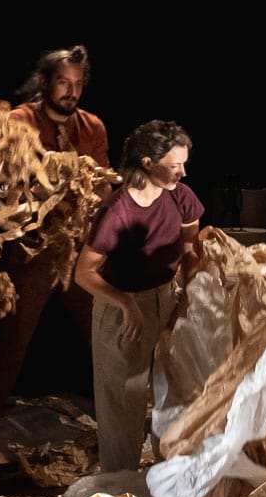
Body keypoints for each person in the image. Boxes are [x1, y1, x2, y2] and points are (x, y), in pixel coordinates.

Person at [0, 44, 111, 444]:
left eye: (77, 84)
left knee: (104, 336)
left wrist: (90, 193)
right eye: (63, 82)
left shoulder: (92, 127)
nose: (71, 91)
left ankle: (127, 422)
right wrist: (45, 179)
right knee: (12, 342)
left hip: (77, 251)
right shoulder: (20, 121)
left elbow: (102, 187)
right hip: (32, 250)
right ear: (46, 83)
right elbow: (4, 183)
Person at [74, 119, 203, 472]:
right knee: (123, 401)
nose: (183, 172)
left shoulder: (180, 196)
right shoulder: (118, 212)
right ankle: (120, 485)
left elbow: (190, 249)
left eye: (184, 163)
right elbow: (84, 273)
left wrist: (189, 299)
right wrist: (125, 303)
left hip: (169, 298)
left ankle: (171, 481)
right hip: (123, 308)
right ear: (148, 162)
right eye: (175, 165)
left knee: (175, 395)